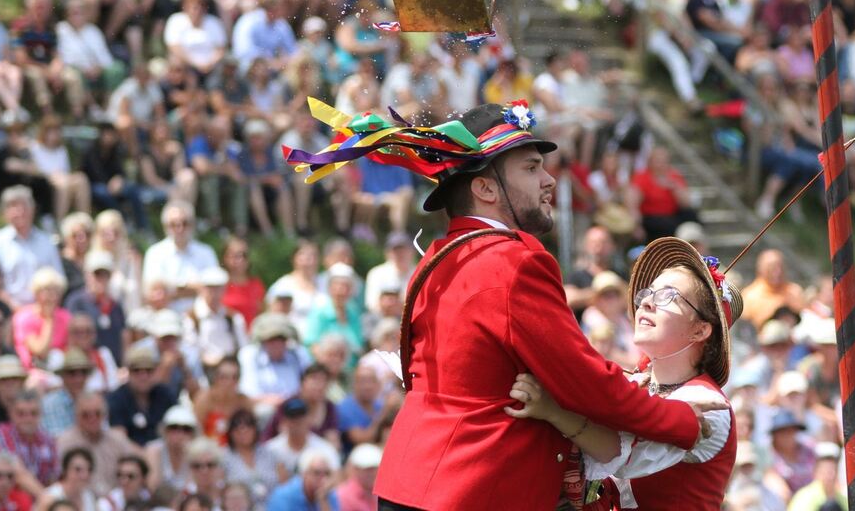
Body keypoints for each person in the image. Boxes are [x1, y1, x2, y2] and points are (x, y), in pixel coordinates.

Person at [282, 101, 707, 509]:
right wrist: (681, 422)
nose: (549, 180)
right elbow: (583, 382)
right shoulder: (516, 259)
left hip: (409, 480)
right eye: (530, 167)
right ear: (484, 187)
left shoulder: (437, 256)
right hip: (475, 487)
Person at [507, 234, 738, 510]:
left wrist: (554, 411)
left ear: (700, 330)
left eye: (668, 296)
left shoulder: (710, 406)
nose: (648, 303)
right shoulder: (636, 383)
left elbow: (619, 455)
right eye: (648, 293)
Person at [0, 186, 62, 306]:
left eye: (24, 206)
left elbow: (58, 279)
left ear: (33, 209)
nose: (19, 211)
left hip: (43, 310)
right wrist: (13, 307)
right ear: (4, 212)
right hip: (4, 311)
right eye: (13, 206)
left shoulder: (47, 242)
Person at [56, 392, 140, 499]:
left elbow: (135, 468)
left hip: (117, 501)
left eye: (97, 413)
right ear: (76, 417)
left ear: (105, 415)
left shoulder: (118, 439)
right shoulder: (65, 442)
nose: (92, 419)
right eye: (86, 415)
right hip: (80, 500)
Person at [142, 201, 219, 313]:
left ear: (192, 224)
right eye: (173, 224)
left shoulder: (206, 252)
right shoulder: (154, 253)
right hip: (166, 321)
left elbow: (214, 289)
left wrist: (171, 288)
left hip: (200, 321)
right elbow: (154, 294)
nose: (179, 228)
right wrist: (196, 288)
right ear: (165, 226)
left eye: (184, 223)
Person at [0, 389, 58, 491]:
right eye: (21, 414)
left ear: (41, 415)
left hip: (41, 499)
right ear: (10, 414)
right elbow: (17, 474)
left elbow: (53, 476)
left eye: (33, 413)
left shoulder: (47, 439)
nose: (28, 419)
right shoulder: (3, 433)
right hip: (13, 495)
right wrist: (46, 499)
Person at [106, 347, 175, 447]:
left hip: (164, 453)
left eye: (148, 370)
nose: (143, 376)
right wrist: (145, 456)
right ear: (128, 372)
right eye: (137, 370)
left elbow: (178, 427)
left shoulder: (165, 394)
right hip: (129, 457)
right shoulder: (116, 398)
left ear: (155, 371)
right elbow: (119, 438)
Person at [265, 448, 340, 511]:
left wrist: (323, 501)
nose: (323, 478)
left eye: (327, 473)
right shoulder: (283, 497)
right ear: (303, 474)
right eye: (317, 473)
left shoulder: (329, 495)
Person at [337, 443, 380, 511]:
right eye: (367, 469)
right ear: (356, 469)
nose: (371, 474)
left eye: (374, 469)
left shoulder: (379, 494)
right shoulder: (344, 495)